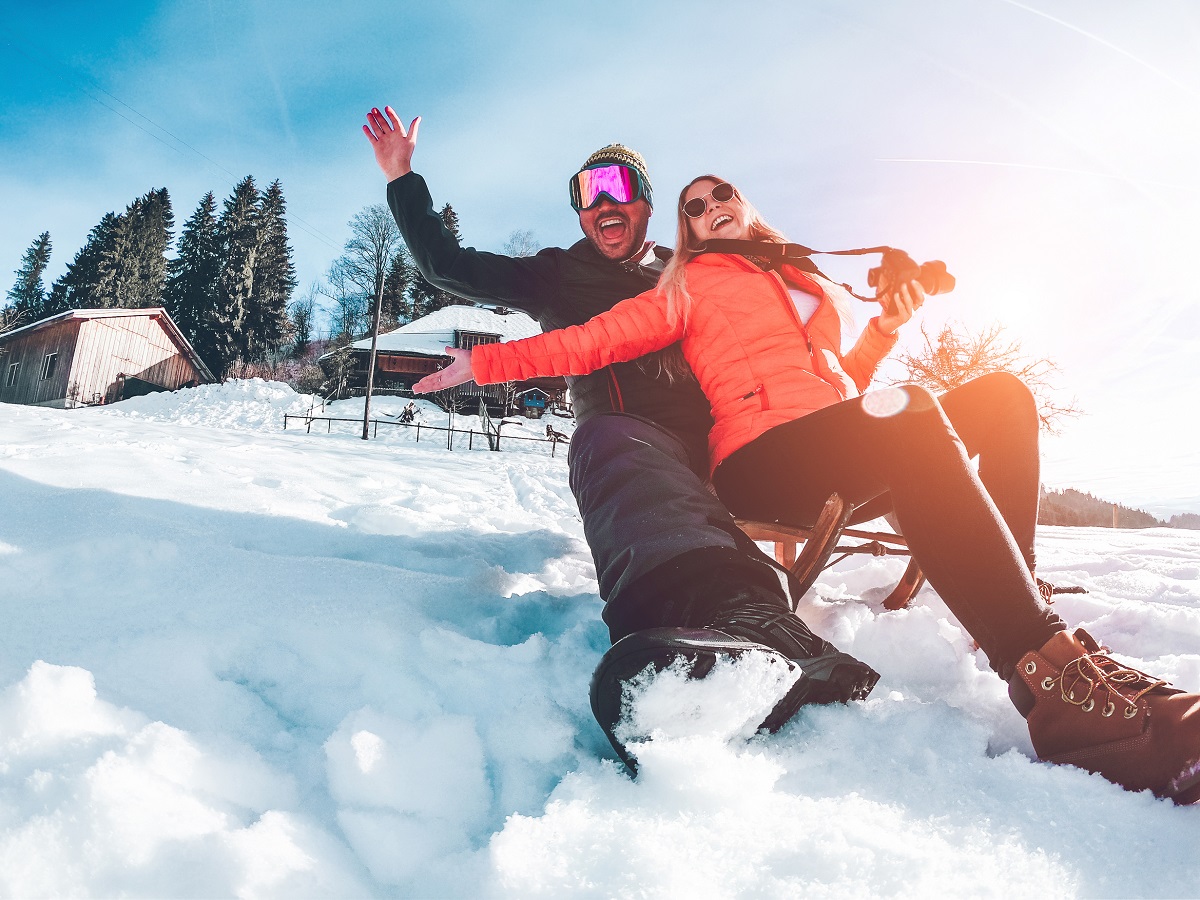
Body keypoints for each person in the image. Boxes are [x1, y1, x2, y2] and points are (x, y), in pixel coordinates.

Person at [416, 174, 1200, 804]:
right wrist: (482, 363)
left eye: (722, 194)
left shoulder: (801, 281)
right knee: (909, 410)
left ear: (746, 207)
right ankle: (1054, 683)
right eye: (694, 206)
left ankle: (1015, 588)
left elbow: (840, 386)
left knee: (1000, 396)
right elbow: (591, 341)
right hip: (758, 461)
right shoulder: (684, 285)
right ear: (682, 232)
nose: (711, 205)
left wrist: (888, 328)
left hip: (825, 446)